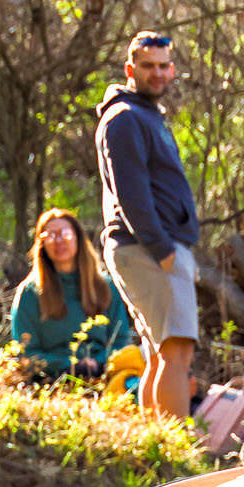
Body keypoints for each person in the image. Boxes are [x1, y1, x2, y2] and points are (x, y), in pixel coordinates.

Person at [96, 32, 200, 419]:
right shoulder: (124, 118)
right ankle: (178, 444)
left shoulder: (146, 115)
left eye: (163, 66)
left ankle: (157, 439)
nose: (157, 73)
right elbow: (132, 196)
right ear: (130, 69)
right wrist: (164, 251)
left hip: (152, 247)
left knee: (160, 353)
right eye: (147, 66)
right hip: (147, 249)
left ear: (171, 70)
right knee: (176, 352)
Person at [9, 208, 135, 381]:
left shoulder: (106, 286)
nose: (59, 241)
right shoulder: (30, 293)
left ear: (78, 238)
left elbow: (121, 342)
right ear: (42, 245)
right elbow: (26, 353)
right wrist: (69, 365)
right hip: (52, 380)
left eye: (65, 234)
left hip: (105, 373)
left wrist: (97, 363)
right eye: (50, 236)